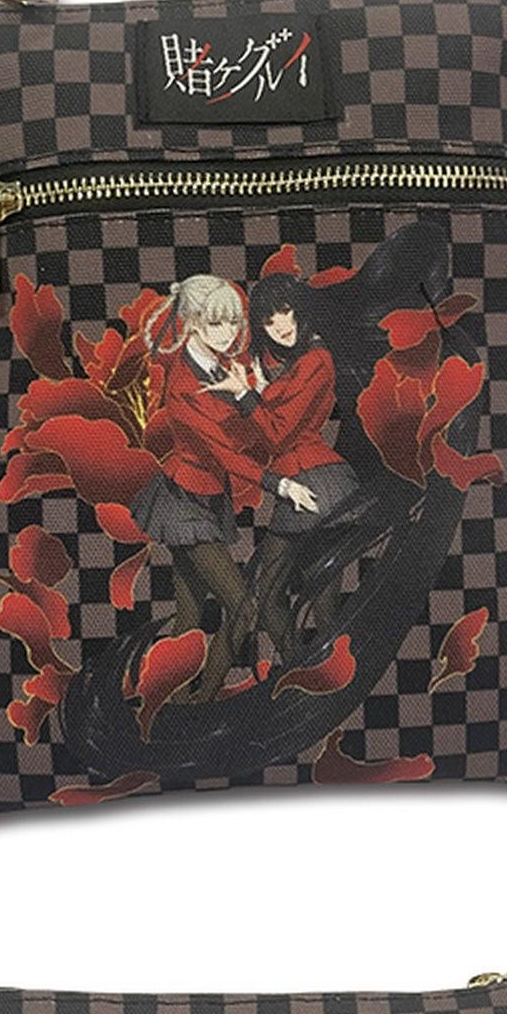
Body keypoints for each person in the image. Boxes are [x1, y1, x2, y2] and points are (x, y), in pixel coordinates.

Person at [131, 277, 316, 700]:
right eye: (216, 324)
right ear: (192, 322)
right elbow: (224, 453)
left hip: (206, 500)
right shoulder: (183, 384)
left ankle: (168, 704)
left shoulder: (220, 367)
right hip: (183, 502)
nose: (228, 333)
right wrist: (281, 485)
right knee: (244, 609)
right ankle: (200, 702)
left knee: (189, 618)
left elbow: (240, 436)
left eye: (233, 322)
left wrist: (253, 396)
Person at [202, 273, 363, 665]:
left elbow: (276, 434)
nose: (281, 326)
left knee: (273, 591)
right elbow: (267, 424)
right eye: (269, 320)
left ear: (299, 310)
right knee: (314, 593)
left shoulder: (316, 359)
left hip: (313, 480)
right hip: (312, 480)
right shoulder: (290, 361)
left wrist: (246, 395)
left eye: (286, 312)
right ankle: (313, 672)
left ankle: (303, 669)